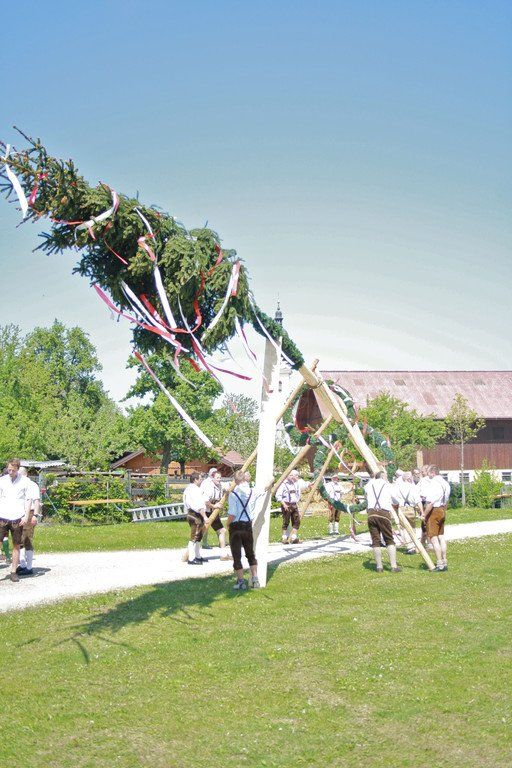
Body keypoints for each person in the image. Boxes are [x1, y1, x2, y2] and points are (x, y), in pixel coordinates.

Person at [227, 470, 261, 590]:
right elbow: (264, 490)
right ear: (245, 479)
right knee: (250, 553)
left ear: (235, 480)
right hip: (247, 525)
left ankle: (241, 582)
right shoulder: (253, 491)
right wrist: (271, 482)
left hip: (236, 526)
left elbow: (232, 513)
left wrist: (227, 524)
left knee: (236, 555)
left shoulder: (233, 494)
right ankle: (255, 579)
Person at [0, 459, 33, 582]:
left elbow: (28, 499)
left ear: (18, 469)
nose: (10, 472)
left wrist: (26, 516)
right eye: (9, 469)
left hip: (17, 517)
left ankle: (13, 572)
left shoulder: (25, 481)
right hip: (2, 515)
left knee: (16, 545)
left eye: (13, 470)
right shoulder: (2, 480)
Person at [364, 471, 401, 573]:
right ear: (384, 477)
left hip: (371, 513)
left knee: (375, 540)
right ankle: (393, 566)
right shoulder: (388, 486)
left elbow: (366, 493)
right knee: (389, 539)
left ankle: (379, 567)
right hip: (383, 513)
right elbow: (396, 500)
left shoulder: (369, 485)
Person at [423, 465, 451, 571]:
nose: (427, 475)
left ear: (433, 473)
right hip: (442, 509)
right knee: (441, 537)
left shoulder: (433, 483)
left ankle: (439, 564)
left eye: (428, 472)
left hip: (434, 511)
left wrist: (424, 514)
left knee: (433, 538)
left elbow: (430, 502)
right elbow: (446, 501)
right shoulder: (445, 483)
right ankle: (445, 560)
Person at [201, 469, 231, 560]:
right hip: (205, 511)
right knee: (200, 533)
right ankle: (192, 554)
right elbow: (205, 501)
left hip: (213, 512)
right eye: (217, 478)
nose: (219, 479)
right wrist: (214, 505)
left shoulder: (220, 485)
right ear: (212, 478)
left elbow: (229, 485)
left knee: (222, 531)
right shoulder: (208, 486)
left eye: (220, 478)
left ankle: (223, 555)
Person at [17, 467, 41, 575]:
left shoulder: (32, 485)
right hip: (19, 513)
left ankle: (29, 567)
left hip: (30, 513)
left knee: (27, 539)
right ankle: (22, 564)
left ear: (25, 474)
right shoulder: (18, 485)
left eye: (20, 474)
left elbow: (36, 501)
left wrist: (35, 515)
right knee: (19, 539)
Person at [392, 471, 422, 554]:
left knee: (404, 528)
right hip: (411, 508)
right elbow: (418, 500)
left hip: (401, 509)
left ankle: (409, 546)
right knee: (412, 527)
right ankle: (414, 544)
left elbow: (394, 499)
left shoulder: (397, 487)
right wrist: (421, 511)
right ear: (410, 478)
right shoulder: (413, 487)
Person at [183, 472, 209, 565]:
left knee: (198, 536)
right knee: (194, 537)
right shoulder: (195, 490)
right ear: (195, 480)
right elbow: (199, 505)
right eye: (200, 479)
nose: (201, 481)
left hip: (190, 513)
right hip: (195, 515)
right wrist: (205, 516)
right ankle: (191, 559)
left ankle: (197, 556)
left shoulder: (188, 488)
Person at [275, 469, 302, 544]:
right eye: (290, 475)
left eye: (293, 475)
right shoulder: (283, 484)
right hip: (286, 504)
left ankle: (294, 537)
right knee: (286, 521)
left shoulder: (295, 484)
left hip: (294, 504)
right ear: (286, 476)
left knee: (297, 521)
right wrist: (284, 504)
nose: (292, 476)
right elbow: (278, 495)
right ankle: (284, 537)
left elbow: (299, 492)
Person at [417, 465, 432, 548]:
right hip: (429, 502)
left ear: (427, 471)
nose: (421, 473)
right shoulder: (431, 480)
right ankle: (426, 542)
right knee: (426, 522)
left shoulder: (423, 480)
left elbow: (418, 491)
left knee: (425, 523)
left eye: (422, 472)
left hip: (425, 502)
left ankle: (426, 542)